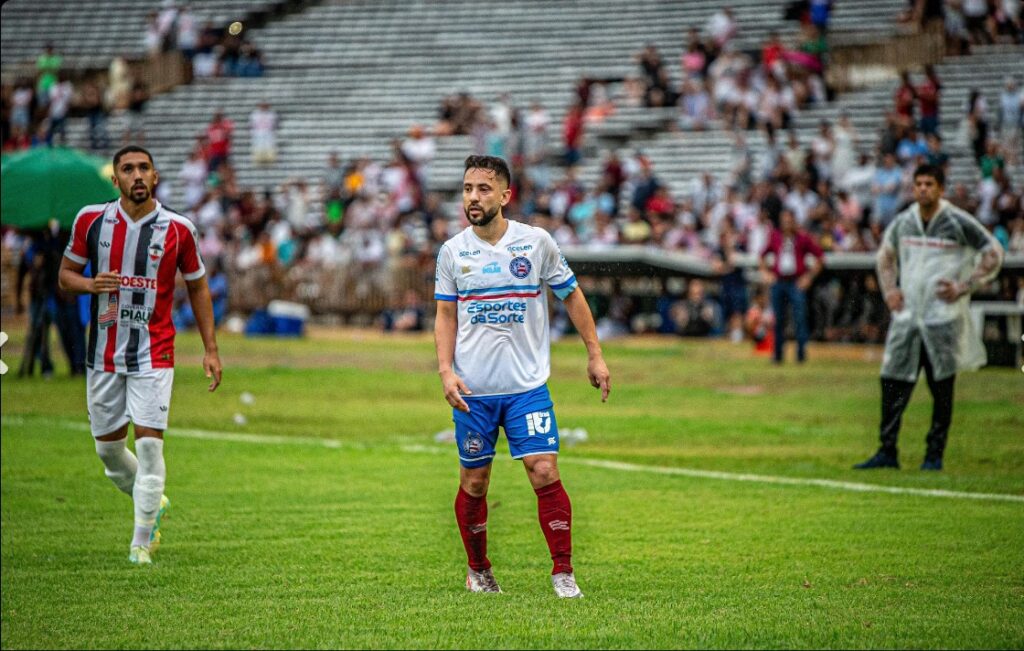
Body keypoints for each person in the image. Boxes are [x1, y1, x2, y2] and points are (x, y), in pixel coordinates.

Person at [434, 155, 610, 598]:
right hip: (473, 391)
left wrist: (595, 354)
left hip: (527, 389)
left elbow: (572, 296)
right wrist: (445, 371)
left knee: (545, 469)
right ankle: (479, 570)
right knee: (475, 480)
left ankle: (563, 572)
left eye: (483, 189)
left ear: (505, 196)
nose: (473, 197)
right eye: (468, 188)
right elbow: (444, 315)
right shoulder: (453, 252)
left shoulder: (536, 243)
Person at [58, 145, 223, 565]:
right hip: (104, 355)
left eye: (143, 168)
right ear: (115, 179)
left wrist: (210, 348)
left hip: (155, 353)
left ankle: (141, 543)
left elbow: (198, 285)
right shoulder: (90, 221)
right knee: (110, 454)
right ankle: (153, 500)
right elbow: (65, 276)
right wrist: (90, 285)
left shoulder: (179, 229)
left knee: (150, 448)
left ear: (155, 177)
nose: (136, 175)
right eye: (127, 169)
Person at [855, 164, 1003, 471]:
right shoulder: (904, 222)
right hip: (907, 317)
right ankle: (887, 450)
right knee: (893, 382)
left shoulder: (957, 221)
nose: (923, 189)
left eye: (929, 184)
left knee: (941, 388)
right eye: (918, 183)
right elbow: (885, 256)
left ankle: (934, 455)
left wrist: (966, 286)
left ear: (940, 189)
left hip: (942, 319)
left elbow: (993, 253)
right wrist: (889, 291)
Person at [759, 208, 824, 363]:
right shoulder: (775, 237)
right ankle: (778, 353)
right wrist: (766, 273)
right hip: (779, 281)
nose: (787, 223)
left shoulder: (802, 238)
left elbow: (820, 257)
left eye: (789, 220)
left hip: (795, 281)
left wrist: (808, 277)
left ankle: (801, 353)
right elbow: (762, 256)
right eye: (784, 220)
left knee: (799, 318)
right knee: (778, 319)